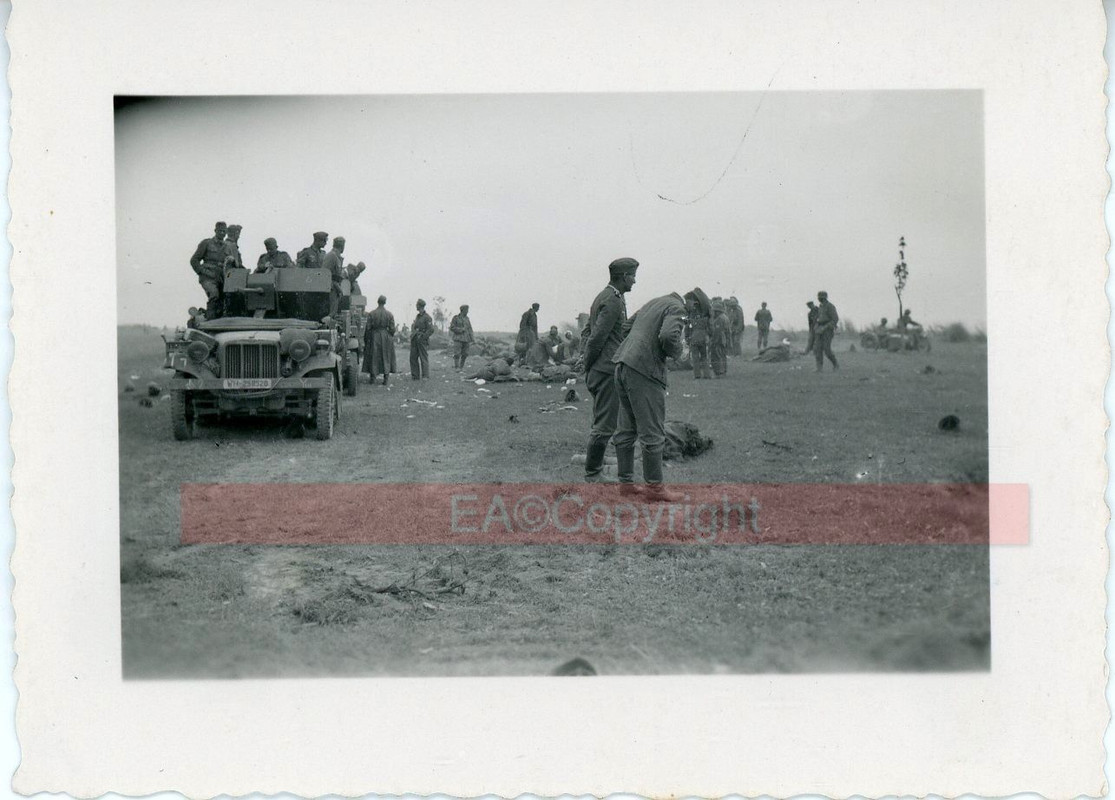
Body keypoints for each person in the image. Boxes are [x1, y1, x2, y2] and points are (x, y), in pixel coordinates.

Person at [612, 287, 708, 500]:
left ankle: (626, 484)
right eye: (695, 312)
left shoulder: (655, 302)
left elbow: (626, 327)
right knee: (653, 431)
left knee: (627, 428)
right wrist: (677, 354)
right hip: (644, 370)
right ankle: (655, 489)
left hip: (623, 364)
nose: (692, 316)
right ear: (692, 303)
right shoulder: (677, 308)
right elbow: (667, 336)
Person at [581, 256, 638, 483]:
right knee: (605, 425)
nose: (635, 281)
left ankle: (594, 470)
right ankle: (593, 474)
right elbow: (596, 338)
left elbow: (588, 331)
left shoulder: (606, 297)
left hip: (602, 368)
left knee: (602, 422)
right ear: (624, 277)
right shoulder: (613, 301)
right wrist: (588, 365)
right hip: (605, 370)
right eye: (633, 276)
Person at [189, 220, 230, 318]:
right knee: (214, 293)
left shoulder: (227, 247)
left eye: (224, 231)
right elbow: (194, 260)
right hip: (208, 277)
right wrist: (203, 272)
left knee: (225, 299)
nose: (222, 233)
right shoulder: (206, 243)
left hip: (221, 277)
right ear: (215, 230)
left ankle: (217, 317)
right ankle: (211, 319)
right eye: (220, 231)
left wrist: (231, 260)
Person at [363, 295, 397, 385]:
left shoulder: (372, 313)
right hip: (386, 336)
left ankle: (373, 378)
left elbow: (368, 328)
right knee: (386, 356)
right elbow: (392, 329)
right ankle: (386, 379)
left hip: (374, 336)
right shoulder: (389, 314)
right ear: (385, 302)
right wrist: (389, 335)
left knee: (374, 356)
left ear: (378, 302)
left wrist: (366, 339)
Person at [814, 290, 839, 372]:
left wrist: (824, 328)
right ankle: (819, 368)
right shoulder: (820, 307)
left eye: (822, 297)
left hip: (828, 330)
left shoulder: (830, 306)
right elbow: (818, 319)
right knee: (818, 349)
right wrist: (817, 326)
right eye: (819, 297)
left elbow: (835, 319)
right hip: (819, 330)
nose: (820, 299)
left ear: (825, 298)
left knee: (827, 350)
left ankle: (835, 364)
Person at [322, 236, 347, 316]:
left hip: (335, 289)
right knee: (330, 314)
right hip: (331, 288)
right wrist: (336, 285)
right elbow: (324, 274)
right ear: (342, 246)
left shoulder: (337, 257)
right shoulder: (331, 256)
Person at [410, 299, 434, 380]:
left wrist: (423, 337)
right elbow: (414, 327)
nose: (416, 306)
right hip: (415, 339)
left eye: (417, 305)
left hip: (422, 340)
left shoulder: (427, 317)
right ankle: (415, 376)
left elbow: (431, 330)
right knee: (413, 358)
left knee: (423, 357)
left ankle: (425, 376)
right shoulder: (417, 316)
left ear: (420, 306)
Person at [686, 301, 711, 379]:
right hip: (703, 338)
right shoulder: (705, 318)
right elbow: (709, 328)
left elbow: (687, 329)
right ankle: (707, 374)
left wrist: (687, 338)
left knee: (695, 358)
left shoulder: (690, 318)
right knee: (704, 357)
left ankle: (697, 375)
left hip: (694, 339)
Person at [449, 304, 474, 369]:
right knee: (457, 354)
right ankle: (457, 367)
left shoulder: (467, 319)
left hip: (466, 339)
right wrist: (461, 330)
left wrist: (472, 338)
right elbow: (452, 327)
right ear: (463, 310)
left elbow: (470, 329)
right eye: (467, 310)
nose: (468, 311)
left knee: (465, 354)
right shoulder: (456, 318)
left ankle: (461, 367)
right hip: (458, 338)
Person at [711, 300, 732, 377]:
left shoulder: (719, 319)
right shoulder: (725, 317)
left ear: (717, 311)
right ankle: (723, 372)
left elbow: (718, 332)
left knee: (717, 356)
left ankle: (719, 373)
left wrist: (713, 342)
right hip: (724, 340)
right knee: (723, 356)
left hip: (719, 340)